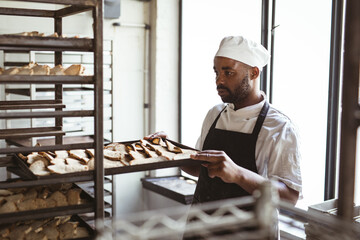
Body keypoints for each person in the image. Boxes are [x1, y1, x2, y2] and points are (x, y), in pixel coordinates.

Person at [146, 35, 302, 205]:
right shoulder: (215, 114)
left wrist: (237, 174)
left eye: (228, 73)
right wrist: (167, 151)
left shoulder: (279, 127)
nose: (219, 80)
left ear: (254, 73)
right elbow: (201, 168)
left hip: (251, 229)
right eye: (217, 72)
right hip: (203, 223)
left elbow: (289, 197)